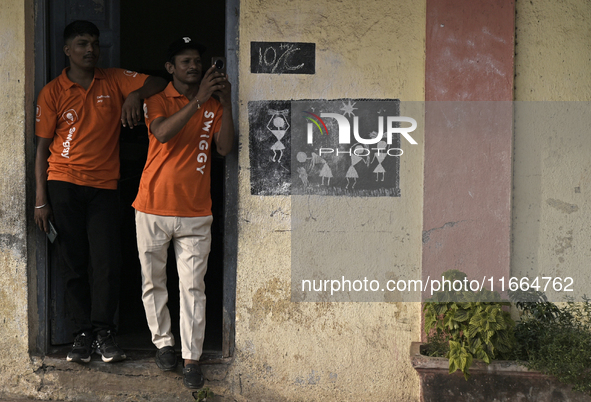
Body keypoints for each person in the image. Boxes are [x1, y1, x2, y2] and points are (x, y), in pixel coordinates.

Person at [34, 20, 168, 364]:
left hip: (105, 186)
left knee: (107, 262)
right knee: (72, 261)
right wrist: (40, 200)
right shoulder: (52, 91)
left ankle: (104, 332)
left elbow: (160, 82)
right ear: (67, 50)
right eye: (81, 44)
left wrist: (136, 94)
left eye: (94, 43)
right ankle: (81, 334)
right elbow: (42, 149)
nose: (90, 49)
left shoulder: (115, 79)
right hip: (62, 183)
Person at [132, 37, 234, 389]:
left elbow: (224, 147)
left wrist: (227, 103)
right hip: (152, 205)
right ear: (170, 68)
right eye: (185, 60)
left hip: (195, 211)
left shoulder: (214, 105)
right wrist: (199, 100)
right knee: (153, 281)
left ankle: (192, 358)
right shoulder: (156, 100)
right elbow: (161, 133)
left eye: (198, 60)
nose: (194, 65)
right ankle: (163, 343)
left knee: (193, 287)